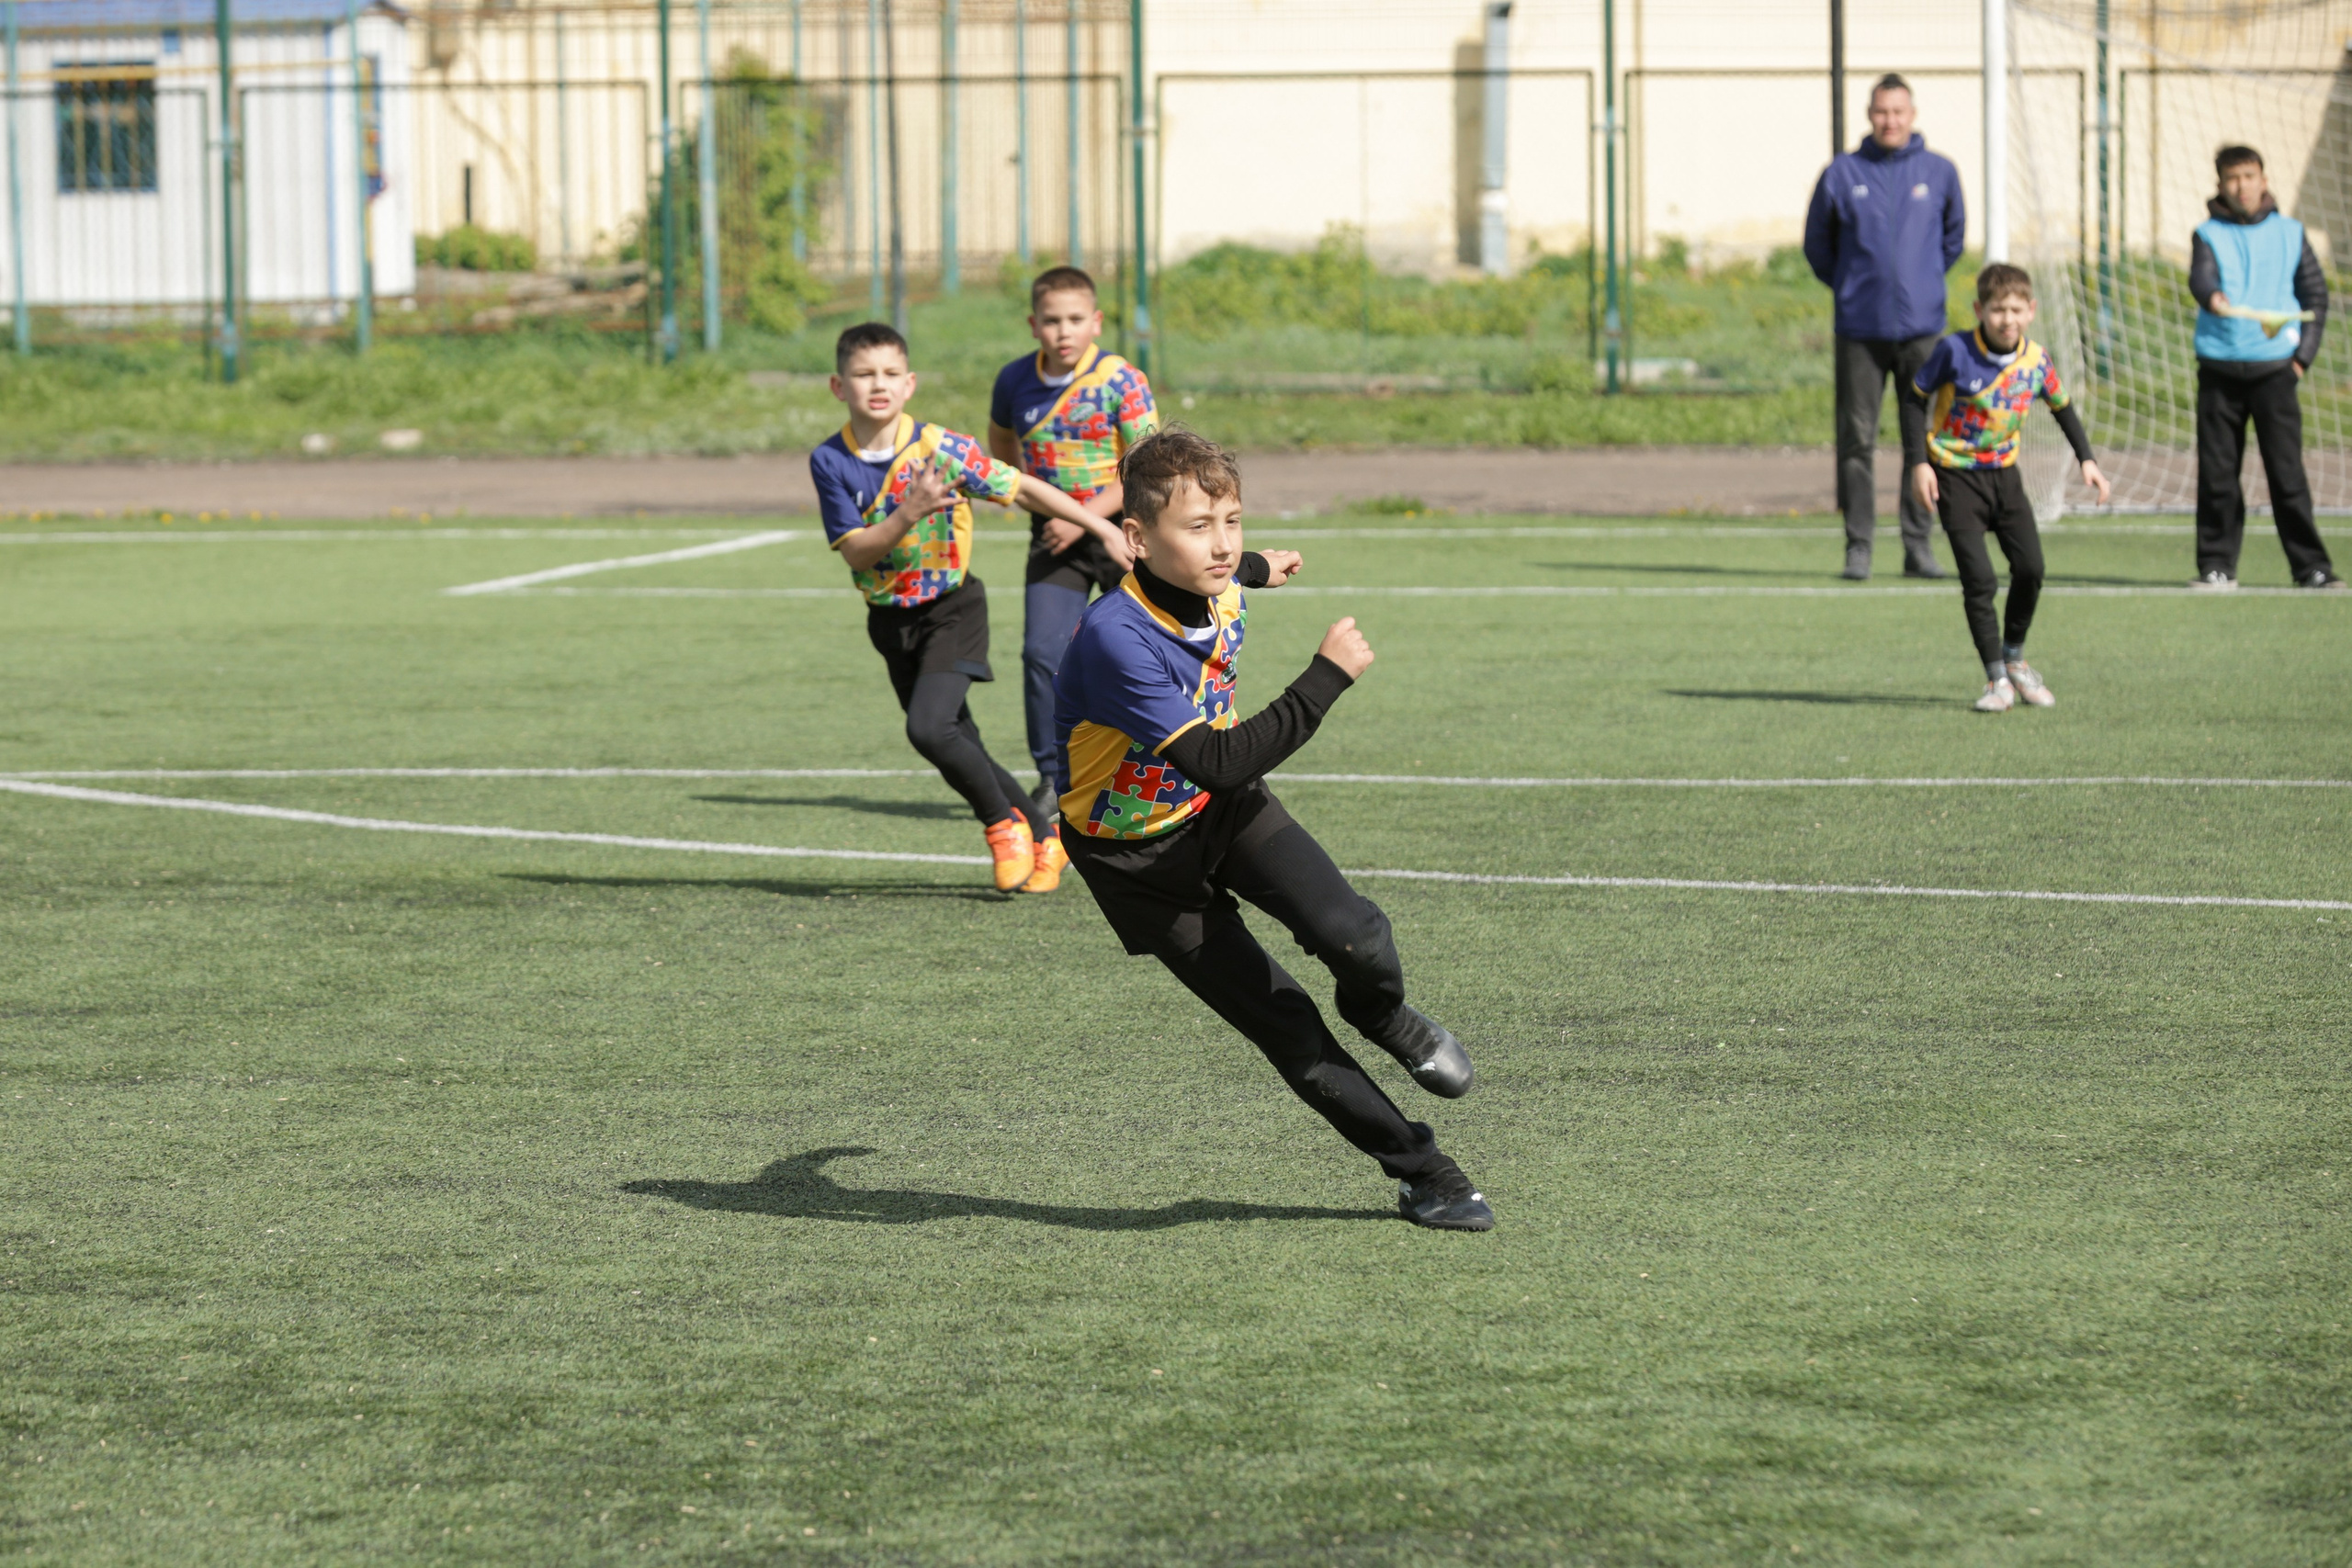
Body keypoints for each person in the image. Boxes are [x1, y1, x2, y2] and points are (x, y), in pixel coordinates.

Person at [1052, 428, 1492, 1231]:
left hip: (1220, 812)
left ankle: (1385, 1015)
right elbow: (1218, 759)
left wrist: (1262, 566)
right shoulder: (1118, 638)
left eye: (1234, 521)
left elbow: (1225, 572)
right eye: (1199, 527)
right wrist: (1325, 678)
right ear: (1139, 541)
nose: (1222, 546)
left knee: (1353, 933)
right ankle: (1424, 1170)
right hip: (1138, 861)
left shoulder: (1216, 574)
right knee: (1284, 1022)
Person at [808, 321, 1109, 894]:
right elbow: (856, 553)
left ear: (910, 383)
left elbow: (1019, 486)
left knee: (928, 728)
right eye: (864, 374)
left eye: (891, 374)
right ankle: (1046, 836)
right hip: (890, 620)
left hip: (953, 608)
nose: (879, 384)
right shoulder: (830, 460)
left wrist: (1096, 523)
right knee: (957, 739)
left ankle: (1003, 827)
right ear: (837, 386)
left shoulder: (940, 448)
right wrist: (910, 510)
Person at [988, 265, 1161, 819]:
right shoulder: (1014, 381)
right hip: (1054, 537)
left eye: (1075, 319)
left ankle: (1164, 761)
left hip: (1123, 533)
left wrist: (1085, 515)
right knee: (1042, 651)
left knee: (1144, 650)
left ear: (1096, 322)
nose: (1064, 331)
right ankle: (1050, 775)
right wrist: (1030, 500)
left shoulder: (1121, 379)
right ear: (1032, 324)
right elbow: (1001, 450)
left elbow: (1146, 465)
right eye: (1052, 320)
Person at [1902, 265, 2110, 712]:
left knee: (2031, 568)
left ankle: (2015, 657)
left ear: (2031, 311)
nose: (2007, 318)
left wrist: (2087, 460)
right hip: (1954, 476)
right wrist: (1919, 463)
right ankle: (1996, 678)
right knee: (1979, 580)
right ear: (1980, 310)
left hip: (2005, 476)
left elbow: (2062, 407)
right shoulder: (1954, 351)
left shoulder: (2036, 360)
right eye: (1998, 309)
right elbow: (1913, 397)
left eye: (2016, 309)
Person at [1804, 73, 1967, 581]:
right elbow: (1818, 246)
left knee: (1922, 440)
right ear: (1869, 115)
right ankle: (1859, 547)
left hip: (1922, 330)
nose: (1889, 120)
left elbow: (1953, 240)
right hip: (1860, 330)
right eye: (1881, 111)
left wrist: (1920, 286)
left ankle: (1918, 547)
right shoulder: (1841, 172)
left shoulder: (1939, 172)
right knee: (1856, 439)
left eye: (1898, 111)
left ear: (1912, 115)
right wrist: (1854, 288)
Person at [2187, 144, 2345, 591]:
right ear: (2220, 185)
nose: (2242, 186)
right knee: (2218, 476)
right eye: (2233, 178)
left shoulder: (2291, 233)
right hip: (2218, 371)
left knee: (2287, 474)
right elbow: (2202, 278)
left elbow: (2316, 297)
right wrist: (2213, 298)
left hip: (2276, 373)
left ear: (2264, 178)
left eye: (2249, 175)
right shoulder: (2207, 234)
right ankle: (2217, 566)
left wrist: (2300, 362)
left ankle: (2311, 568)